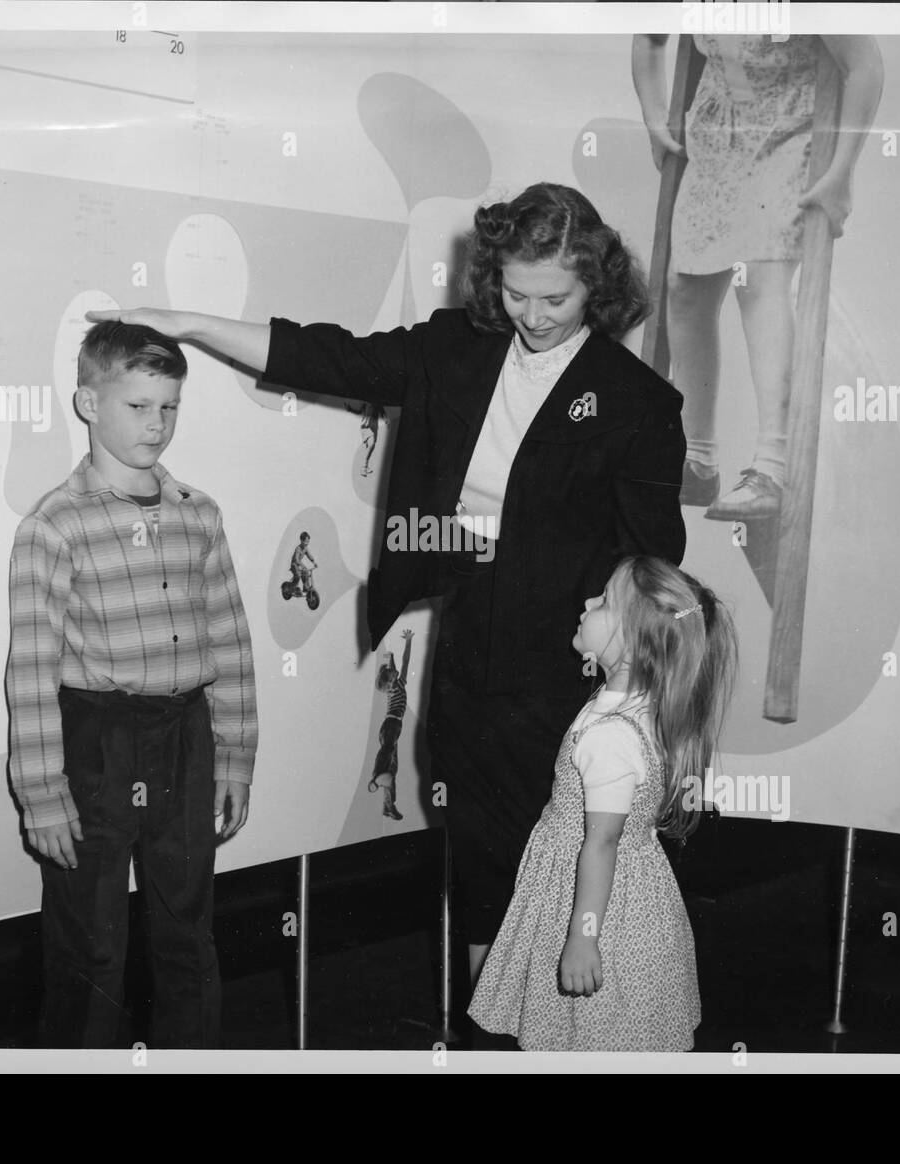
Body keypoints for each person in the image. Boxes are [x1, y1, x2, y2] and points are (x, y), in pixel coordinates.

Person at [86, 182, 687, 1005]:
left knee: (550, 853)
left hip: (567, 655)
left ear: (599, 287)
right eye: (517, 293)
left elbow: (654, 561)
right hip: (470, 632)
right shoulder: (458, 348)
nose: (535, 314)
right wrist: (192, 326)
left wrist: (637, 689)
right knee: (478, 850)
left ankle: (558, 1034)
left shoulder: (638, 401)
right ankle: (494, 1033)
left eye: (558, 296)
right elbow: (327, 355)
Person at [5, 321, 258, 1048]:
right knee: (91, 943)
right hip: (98, 741)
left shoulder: (198, 513)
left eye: (169, 407)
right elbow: (29, 673)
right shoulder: (53, 526)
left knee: (187, 929)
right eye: (138, 406)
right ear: (88, 403)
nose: (157, 424)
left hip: (186, 736)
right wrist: (43, 793)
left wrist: (236, 755)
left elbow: (232, 643)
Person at [468, 556, 737, 1050]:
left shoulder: (611, 734)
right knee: (609, 1031)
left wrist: (584, 937)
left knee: (589, 1031)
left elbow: (601, 843)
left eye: (605, 602)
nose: (588, 603)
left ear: (634, 643)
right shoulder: (639, 707)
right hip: (631, 895)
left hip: (595, 900)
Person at [633, 33, 884, 517]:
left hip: (792, 127)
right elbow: (649, 35)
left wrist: (842, 172)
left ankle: (773, 467)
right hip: (716, 127)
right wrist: (652, 118)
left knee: (760, 280)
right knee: (684, 286)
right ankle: (698, 460)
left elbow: (864, 66)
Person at [369, 629, 413, 821]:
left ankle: (389, 806)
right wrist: (391, 660)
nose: (397, 673)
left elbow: (404, 663)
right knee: (387, 751)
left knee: (392, 770)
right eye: (393, 674)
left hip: (394, 727)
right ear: (390, 682)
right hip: (390, 725)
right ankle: (376, 775)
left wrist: (408, 643)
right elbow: (395, 667)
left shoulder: (399, 682)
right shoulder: (394, 686)